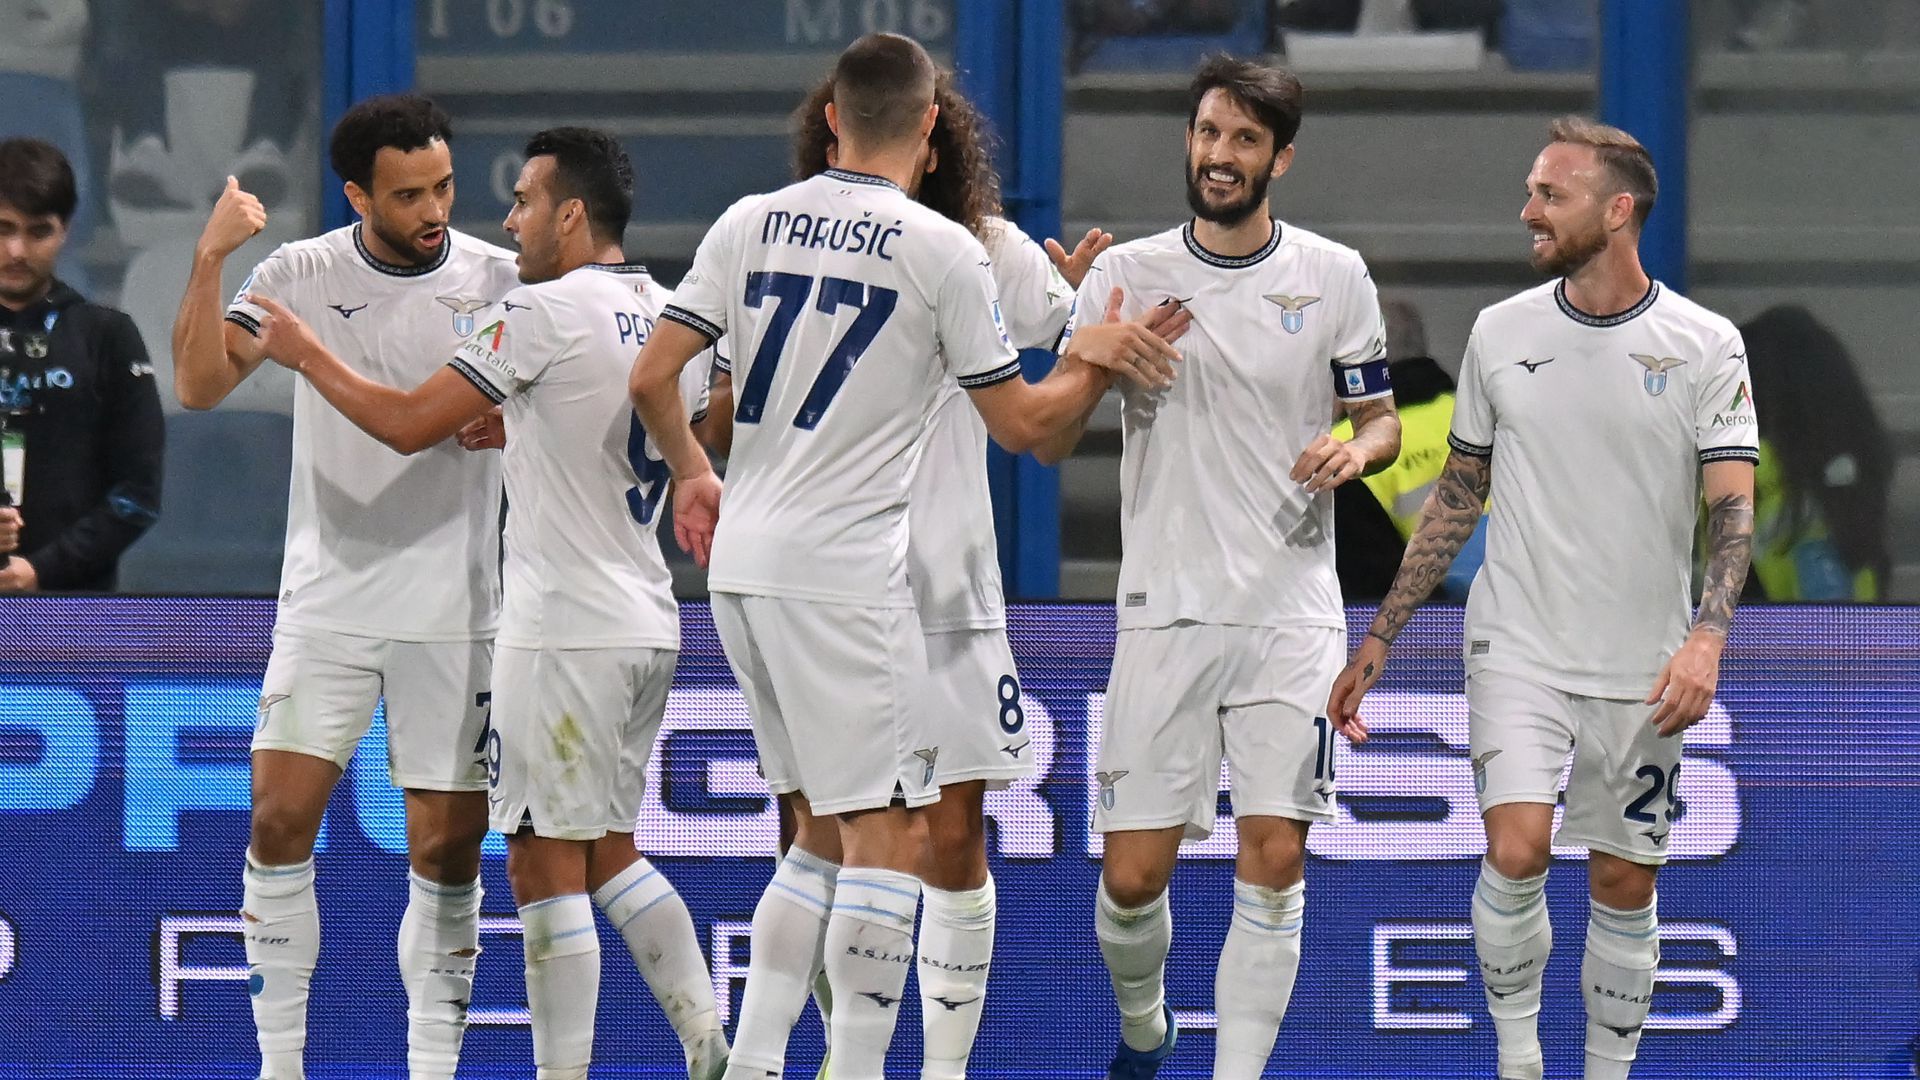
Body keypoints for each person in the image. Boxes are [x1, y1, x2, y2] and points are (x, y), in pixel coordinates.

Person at [628, 33, 1178, 1080]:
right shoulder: (940, 251)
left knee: (825, 839)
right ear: (932, 124)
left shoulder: (750, 223)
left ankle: (760, 1061)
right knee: (884, 838)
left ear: (832, 117)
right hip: (853, 571)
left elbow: (657, 379)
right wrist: (1091, 356)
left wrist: (692, 475)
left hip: (754, 564)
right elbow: (1029, 425)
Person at [246, 126, 731, 1080]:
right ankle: (710, 1046)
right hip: (648, 617)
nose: (508, 223)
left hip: (562, 628)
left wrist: (305, 353)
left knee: (544, 869)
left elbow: (403, 424)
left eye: (523, 201)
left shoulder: (538, 312)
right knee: (612, 853)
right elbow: (668, 426)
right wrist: (526, 429)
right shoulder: (673, 314)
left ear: (571, 214)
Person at [1328, 117, 1759, 1080]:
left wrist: (1707, 640)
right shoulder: (1502, 331)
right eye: (1531, 191)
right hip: (1516, 643)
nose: (1528, 210)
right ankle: (1518, 1060)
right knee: (1516, 850)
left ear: (1617, 210)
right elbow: (1458, 493)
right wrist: (1382, 636)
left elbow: (1732, 506)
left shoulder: (1705, 344)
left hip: (1644, 657)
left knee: (1625, 879)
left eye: (1550, 195)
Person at [1035, 54, 1400, 1080]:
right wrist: (1096, 352)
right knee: (1130, 881)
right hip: (1167, 612)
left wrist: (1356, 451)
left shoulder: (1335, 275)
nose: (1220, 155)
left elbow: (1379, 420)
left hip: (1292, 612)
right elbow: (1047, 438)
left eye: (1244, 139)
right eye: (1207, 133)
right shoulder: (1124, 275)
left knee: (1275, 859)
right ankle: (1145, 1027)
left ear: (1280, 158)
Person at [170, 94, 521, 1080]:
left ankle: (432, 1068)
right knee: (277, 822)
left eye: (443, 186)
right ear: (357, 195)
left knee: (447, 855)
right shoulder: (300, 273)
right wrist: (209, 259)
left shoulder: (500, 280)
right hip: (328, 602)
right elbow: (199, 385)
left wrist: (521, 423)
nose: (434, 210)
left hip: (456, 608)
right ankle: (281, 1066)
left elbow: (568, 400)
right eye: (409, 195)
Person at [0, 137, 162, 592]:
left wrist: (43, 570)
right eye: (3, 228)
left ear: (65, 230)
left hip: (76, 612)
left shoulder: (108, 337)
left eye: (38, 232)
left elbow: (139, 492)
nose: (17, 250)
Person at [1333, 294, 1487, 601]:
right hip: (1514, 612)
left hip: (1426, 624)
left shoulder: (1345, 449)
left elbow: (1365, 588)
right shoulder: (1482, 417)